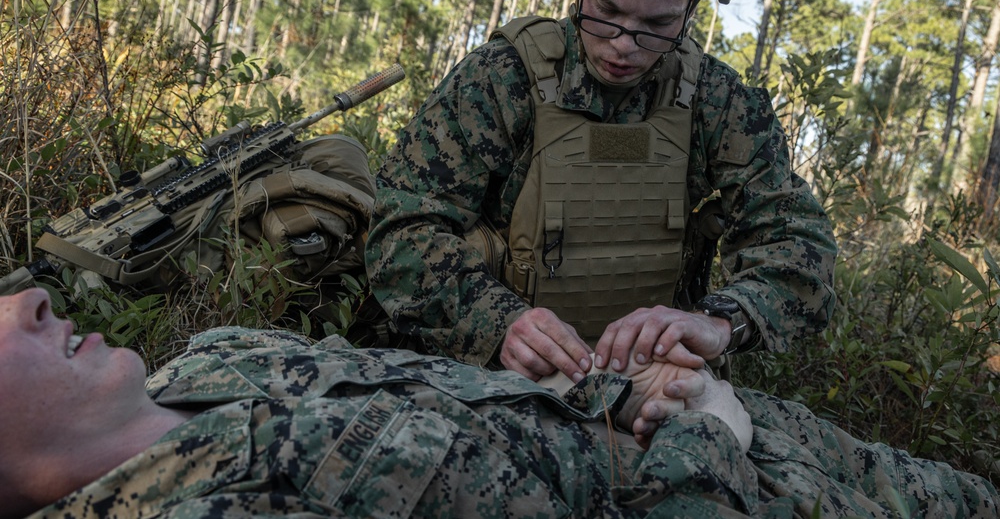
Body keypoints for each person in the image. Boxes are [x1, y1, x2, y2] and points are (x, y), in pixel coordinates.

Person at [365, 0, 837, 390]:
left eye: (658, 24)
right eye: (606, 12)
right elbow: (401, 229)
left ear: (695, 3)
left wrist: (719, 322)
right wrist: (498, 322)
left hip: (655, 384)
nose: (624, 45)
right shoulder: (499, 81)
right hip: (495, 374)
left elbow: (801, 249)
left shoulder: (718, 102)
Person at [3, 287, 996, 518]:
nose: (24, 295)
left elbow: (430, 383)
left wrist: (657, 375)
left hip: (758, 425)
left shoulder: (216, 351)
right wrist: (704, 434)